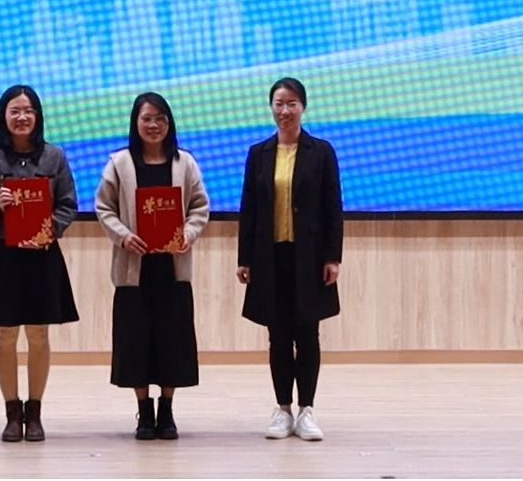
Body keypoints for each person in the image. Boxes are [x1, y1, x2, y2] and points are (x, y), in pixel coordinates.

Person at [0, 84, 79, 442]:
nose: (22, 117)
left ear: (38, 116)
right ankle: (12, 413)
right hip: (3, 256)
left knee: (39, 334)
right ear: (4, 117)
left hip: (42, 255)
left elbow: (68, 205)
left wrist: (48, 229)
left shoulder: (55, 157)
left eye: (28, 111)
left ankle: (35, 412)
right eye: (15, 111)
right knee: (6, 334)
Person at [93, 91, 209, 441]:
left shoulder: (184, 163)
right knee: (135, 342)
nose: (154, 124)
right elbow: (103, 207)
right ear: (136, 122)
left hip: (172, 270)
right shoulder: (120, 163)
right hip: (134, 270)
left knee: (172, 341)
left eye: (160, 118)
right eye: (147, 118)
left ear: (169, 123)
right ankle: (144, 411)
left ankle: (167, 410)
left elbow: (200, 207)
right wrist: (124, 236)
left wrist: (188, 233)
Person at [235, 76, 344, 442]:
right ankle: (282, 409)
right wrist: (244, 258)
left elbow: (333, 207)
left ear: (303, 107)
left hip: (309, 258)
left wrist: (333, 257)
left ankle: (307, 410)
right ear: (271, 108)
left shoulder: (321, 152)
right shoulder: (259, 153)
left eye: (292, 103)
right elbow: (249, 208)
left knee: (308, 334)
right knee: (278, 336)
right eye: (279, 103)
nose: (285, 110)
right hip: (270, 257)